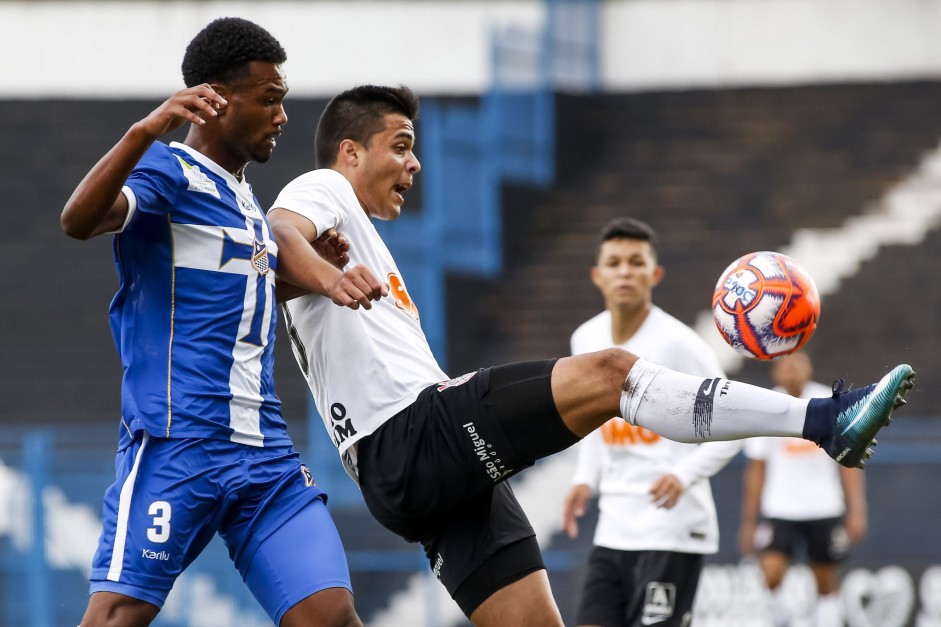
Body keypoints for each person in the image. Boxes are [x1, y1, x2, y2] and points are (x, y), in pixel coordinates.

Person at [266, 83, 915, 627]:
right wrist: (327, 278)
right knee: (611, 371)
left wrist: (321, 277)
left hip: (414, 473)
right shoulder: (326, 187)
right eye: (400, 146)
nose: (414, 165)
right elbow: (277, 232)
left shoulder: (355, 240)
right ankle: (826, 420)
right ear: (349, 152)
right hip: (411, 436)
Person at [60, 18, 363, 627]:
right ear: (215, 101)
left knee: (329, 615)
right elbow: (79, 219)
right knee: (116, 616)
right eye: (270, 99)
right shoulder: (168, 172)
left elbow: (237, 300)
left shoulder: (246, 199)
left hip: (264, 453)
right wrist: (144, 131)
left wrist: (303, 278)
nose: (282, 116)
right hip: (181, 445)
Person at [561, 217, 742, 627]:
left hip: (672, 530)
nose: (625, 271)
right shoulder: (585, 340)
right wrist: (584, 478)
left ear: (655, 273)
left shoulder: (679, 344)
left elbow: (733, 424)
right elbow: (590, 417)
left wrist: (683, 474)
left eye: (636, 262)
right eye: (615, 262)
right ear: (597, 274)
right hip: (614, 530)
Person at [739, 352, 867, 627]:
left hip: (823, 506)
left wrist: (856, 510)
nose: (792, 370)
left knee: (826, 580)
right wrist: (749, 521)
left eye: (798, 363)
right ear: (776, 372)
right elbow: (756, 468)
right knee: (771, 573)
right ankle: (782, 619)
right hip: (781, 508)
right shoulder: (765, 406)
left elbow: (848, 460)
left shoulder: (829, 403)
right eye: (785, 365)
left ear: (809, 368)